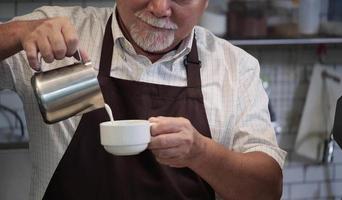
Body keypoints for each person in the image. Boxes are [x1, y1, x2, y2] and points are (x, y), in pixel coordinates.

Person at [0, 1, 286, 199]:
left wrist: (200, 153)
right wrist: (18, 33)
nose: (160, 7)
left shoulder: (236, 69)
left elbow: (266, 190)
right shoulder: (59, 35)